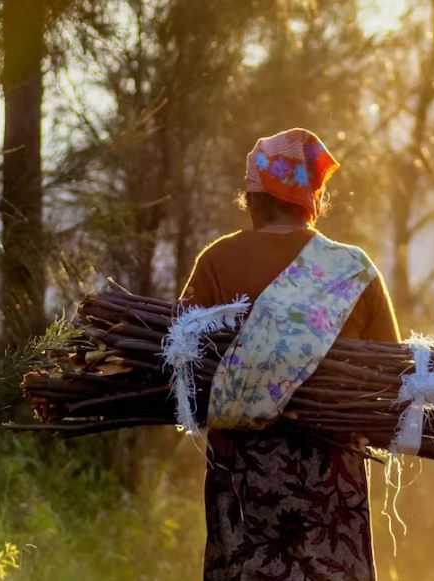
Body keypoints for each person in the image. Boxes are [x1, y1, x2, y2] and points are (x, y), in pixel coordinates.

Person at [180, 128, 400, 581]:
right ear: (311, 199)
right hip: (332, 485)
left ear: (253, 198)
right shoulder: (353, 270)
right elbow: (391, 377)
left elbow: (181, 367)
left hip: (243, 486)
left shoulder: (217, 262)